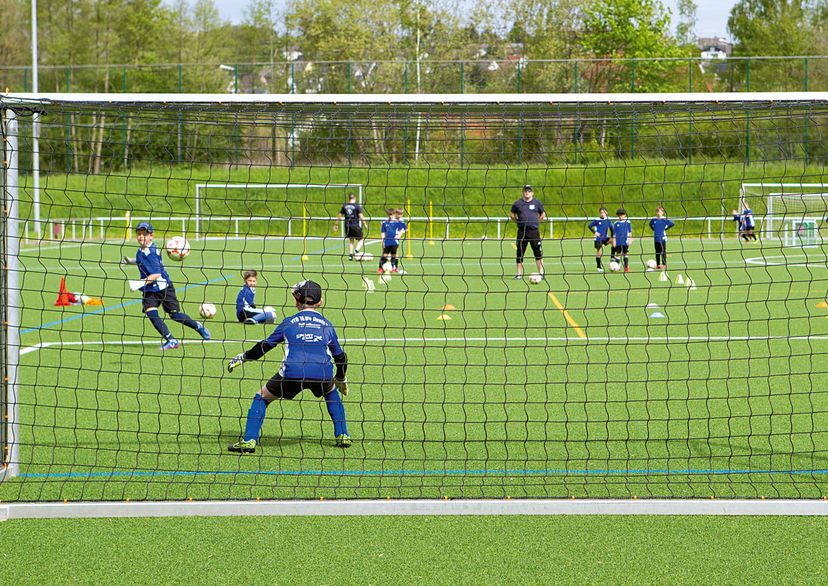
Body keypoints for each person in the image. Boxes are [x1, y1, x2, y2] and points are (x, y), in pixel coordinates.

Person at [227, 280, 351, 452]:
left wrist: (244, 357)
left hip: (292, 372)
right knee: (330, 392)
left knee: (262, 396)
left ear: (296, 301)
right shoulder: (327, 325)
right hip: (321, 373)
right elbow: (340, 356)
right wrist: (341, 378)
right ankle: (343, 435)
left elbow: (265, 346)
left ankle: (249, 441)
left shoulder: (288, 322)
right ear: (320, 301)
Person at [130, 222, 210, 350]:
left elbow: (156, 273)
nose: (141, 237)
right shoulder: (141, 250)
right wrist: (131, 261)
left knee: (175, 316)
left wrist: (138, 283)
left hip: (164, 288)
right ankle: (171, 340)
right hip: (150, 290)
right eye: (139, 234)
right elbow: (142, 261)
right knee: (151, 313)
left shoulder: (151, 252)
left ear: (151, 236)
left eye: (144, 234)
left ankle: (197, 326)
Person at [509, 185, 545, 279]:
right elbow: (512, 215)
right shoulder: (517, 203)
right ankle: (519, 274)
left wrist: (536, 221)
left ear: (532, 193)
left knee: (538, 252)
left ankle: (541, 273)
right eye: (525, 191)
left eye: (529, 191)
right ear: (523, 192)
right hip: (522, 232)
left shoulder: (537, 203)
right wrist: (518, 221)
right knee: (520, 253)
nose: (527, 193)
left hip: (534, 232)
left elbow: (543, 214)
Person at [334, 193, 367, 260]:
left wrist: (336, 224)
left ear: (349, 198)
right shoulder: (357, 206)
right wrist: (365, 224)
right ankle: (356, 251)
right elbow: (361, 216)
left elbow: (340, 215)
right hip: (355, 225)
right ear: (355, 198)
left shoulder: (344, 205)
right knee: (361, 239)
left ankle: (350, 255)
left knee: (351, 240)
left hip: (347, 226)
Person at [587, 207, 613, 272]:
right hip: (598, 238)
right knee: (599, 252)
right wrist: (595, 232)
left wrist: (613, 237)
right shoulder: (597, 220)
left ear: (606, 213)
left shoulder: (608, 220)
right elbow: (589, 226)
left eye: (603, 212)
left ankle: (613, 258)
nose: (602, 214)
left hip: (605, 237)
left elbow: (611, 229)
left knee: (614, 242)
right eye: (601, 212)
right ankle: (599, 267)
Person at [378, 208, 403, 274]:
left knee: (394, 255)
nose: (390, 216)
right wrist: (382, 240)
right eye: (389, 214)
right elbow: (383, 232)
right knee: (384, 254)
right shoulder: (385, 222)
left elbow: (402, 229)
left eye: (391, 214)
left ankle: (394, 268)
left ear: (394, 214)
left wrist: (398, 236)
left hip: (394, 241)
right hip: (387, 241)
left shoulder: (398, 222)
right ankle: (380, 268)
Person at [611, 208, 633, 273]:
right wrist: (614, 241)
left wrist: (630, 239)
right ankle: (617, 267)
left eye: (622, 214)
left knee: (625, 253)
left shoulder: (628, 222)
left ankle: (626, 267)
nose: (621, 216)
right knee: (618, 254)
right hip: (618, 241)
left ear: (625, 215)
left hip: (625, 241)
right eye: (619, 215)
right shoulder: (616, 223)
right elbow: (614, 233)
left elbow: (630, 232)